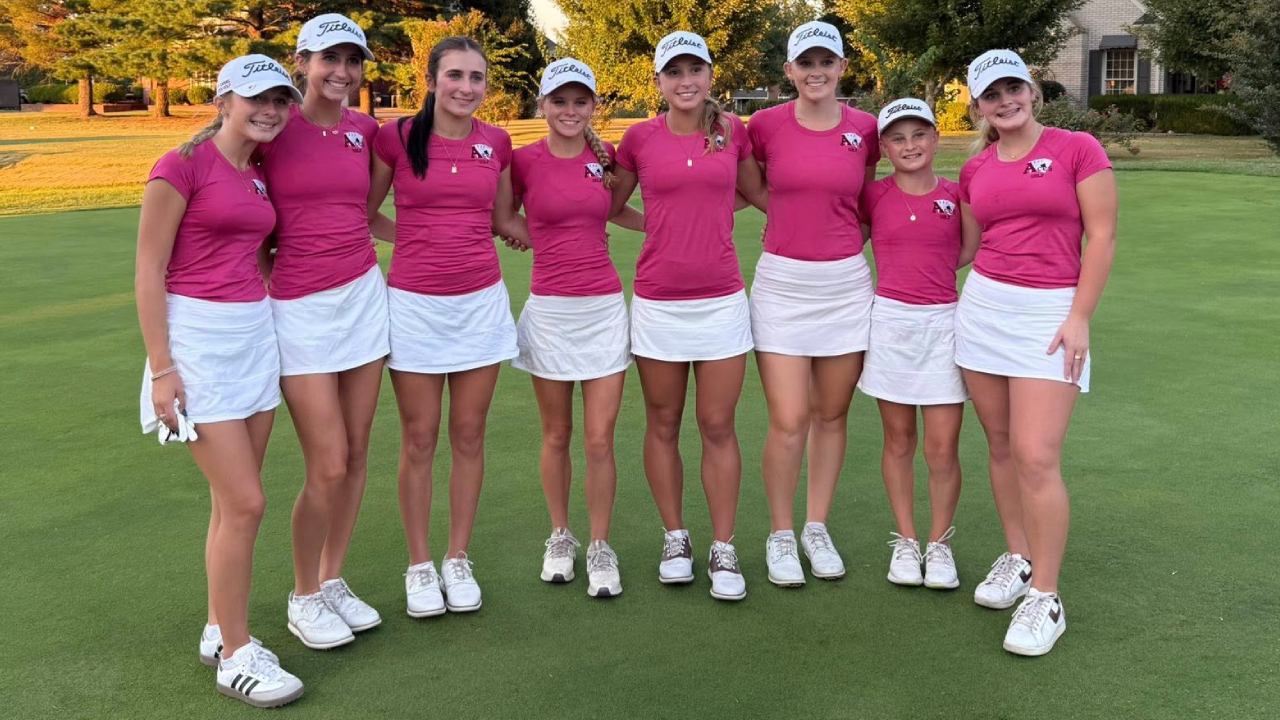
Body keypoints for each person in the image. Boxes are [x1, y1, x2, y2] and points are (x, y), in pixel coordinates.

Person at [136, 55, 305, 707]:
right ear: (224, 99)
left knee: (232, 503)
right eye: (257, 98)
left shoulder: (259, 172)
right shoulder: (179, 167)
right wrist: (162, 368)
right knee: (246, 503)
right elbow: (149, 270)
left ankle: (217, 626)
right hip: (196, 343)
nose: (270, 110)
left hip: (252, 337)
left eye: (280, 100)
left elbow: (257, 250)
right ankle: (236, 654)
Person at [958, 49, 1118, 656]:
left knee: (1035, 454)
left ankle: (1045, 596)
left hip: (1050, 315)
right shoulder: (974, 170)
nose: (1005, 100)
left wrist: (1080, 317)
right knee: (1000, 445)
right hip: (983, 313)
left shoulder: (1078, 148)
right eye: (991, 94)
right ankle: (1019, 557)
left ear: (1032, 90)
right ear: (978, 107)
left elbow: (1101, 234)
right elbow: (969, 247)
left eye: (1013, 88)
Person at [368, 36, 529, 617]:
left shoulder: (498, 142)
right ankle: (419, 564)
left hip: (480, 304)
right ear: (432, 79)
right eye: (455, 75)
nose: (466, 87)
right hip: (413, 304)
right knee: (419, 438)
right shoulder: (396, 137)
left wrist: (555, 238)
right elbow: (366, 212)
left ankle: (457, 557)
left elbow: (504, 216)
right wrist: (413, 239)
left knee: (468, 434)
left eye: (477, 78)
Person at [610, 31, 760, 601]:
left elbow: (755, 192)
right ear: (659, 82)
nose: (686, 80)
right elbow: (609, 201)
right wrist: (659, 225)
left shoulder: (732, 133)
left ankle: (724, 547)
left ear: (710, 76)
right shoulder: (638, 137)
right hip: (658, 302)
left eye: (695, 69)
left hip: (722, 300)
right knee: (664, 423)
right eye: (674, 72)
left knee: (718, 425)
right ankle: (676, 537)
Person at [259, 13, 386, 649]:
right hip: (299, 308)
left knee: (358, 453)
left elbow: (372, 213)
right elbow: (241, 204)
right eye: (327, 60)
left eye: (352, 61)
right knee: (328, 463)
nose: (341, 72)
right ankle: (302, 593)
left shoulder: (368, 131)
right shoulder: (272, 127)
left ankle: (332, 580)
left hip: (364, 297)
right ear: (302, 62)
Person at [743, 21, 880, 586]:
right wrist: (784, 219)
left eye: (827, 61)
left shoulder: (867, 128)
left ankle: (815, 526)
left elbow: (868, 198)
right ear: (789, 71)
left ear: (842, 68)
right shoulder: (765, 125)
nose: (816, 71)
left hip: (846, 286)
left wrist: (844, 241)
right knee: (789, 418)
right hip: (781, 285)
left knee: (831, 414)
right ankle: (780, 533)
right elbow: (751, 183)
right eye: (806, 62)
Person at [506, 59, 645, 598]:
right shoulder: (521, 161)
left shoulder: (602, 158)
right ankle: (561, 535)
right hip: (550, 312)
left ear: (592, 107)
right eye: (558, 101)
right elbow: (502, 217)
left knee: (599, 438)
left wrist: (669, 222)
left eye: (579, 101)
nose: (569, 110)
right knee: (557, 434)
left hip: (603, 310)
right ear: (542, 105)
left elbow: (613, 211)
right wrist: (545, 241)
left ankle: (600, 544)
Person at [858, 99, 967, 590]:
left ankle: (939, 544)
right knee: (899, 439)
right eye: (898, 138)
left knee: (942, 448)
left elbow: (970, 248)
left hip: (944, 322)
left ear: (935, 139)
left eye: (919, 135)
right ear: (884, 147)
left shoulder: (957, 192)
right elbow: (847, 238)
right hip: (891, 323)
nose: (909, 146)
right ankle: (905, 540)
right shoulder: (873, 194)